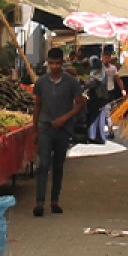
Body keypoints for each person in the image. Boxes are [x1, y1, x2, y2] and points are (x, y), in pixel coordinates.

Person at [32, 47, 86, 218]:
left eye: (57, 63)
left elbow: (80, 104)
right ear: (48, 63)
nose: (54, 66)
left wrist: (65, 118)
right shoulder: (41, 83)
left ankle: (54, 201)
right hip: (45, 128)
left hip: (63, 130)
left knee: (58, 165)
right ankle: (39, 202)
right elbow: (37, 105)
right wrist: (34, 129)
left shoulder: (71, 83)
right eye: (51, 63)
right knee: (43, 164)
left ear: (62, 63)